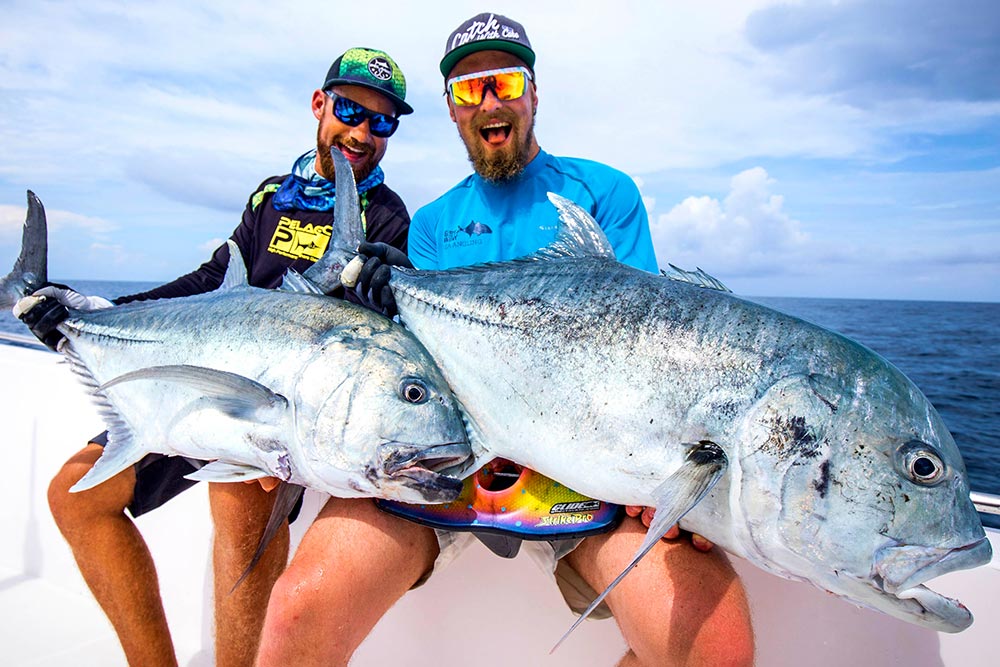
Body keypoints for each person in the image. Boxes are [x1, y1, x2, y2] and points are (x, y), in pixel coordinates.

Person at [256, 15, 754, 667]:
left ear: (533, 92)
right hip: (447, 470)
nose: (489, 101)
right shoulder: (433, 223)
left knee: (716, 646)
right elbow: (422, 369)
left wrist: (661, 471)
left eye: (505, 82)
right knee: (297, 610)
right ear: (453, 111)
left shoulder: (605, 194)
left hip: (587, 478)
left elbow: (643, 350)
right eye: (469, 90)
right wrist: (388, 292)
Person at [17, 47, 414, 667]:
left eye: (382, 122)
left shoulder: (385, 216)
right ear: (319, 105)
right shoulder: (269, 197)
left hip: (285, 412)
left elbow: (375, 335)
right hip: (201, 385)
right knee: (75, 493)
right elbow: (212, 281)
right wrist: (85, 309)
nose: (362, 132)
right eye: (350, 111)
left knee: (241, 492)